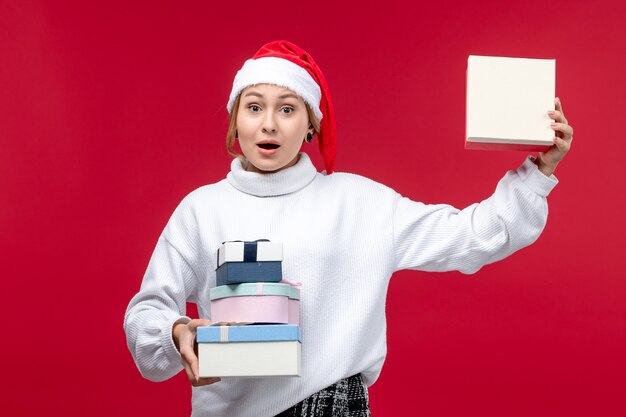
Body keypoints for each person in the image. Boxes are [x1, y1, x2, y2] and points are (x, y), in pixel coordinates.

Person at [124, 40, 573, 417]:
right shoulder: (201, 210)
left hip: (336, 405)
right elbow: (147, 314)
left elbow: (471, 236)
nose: (268, 123)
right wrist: (178, 333)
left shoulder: (361, 203)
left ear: (310, 126)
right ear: (234, 122)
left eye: (287, 109)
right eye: (254, 107)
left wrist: (537, 172)